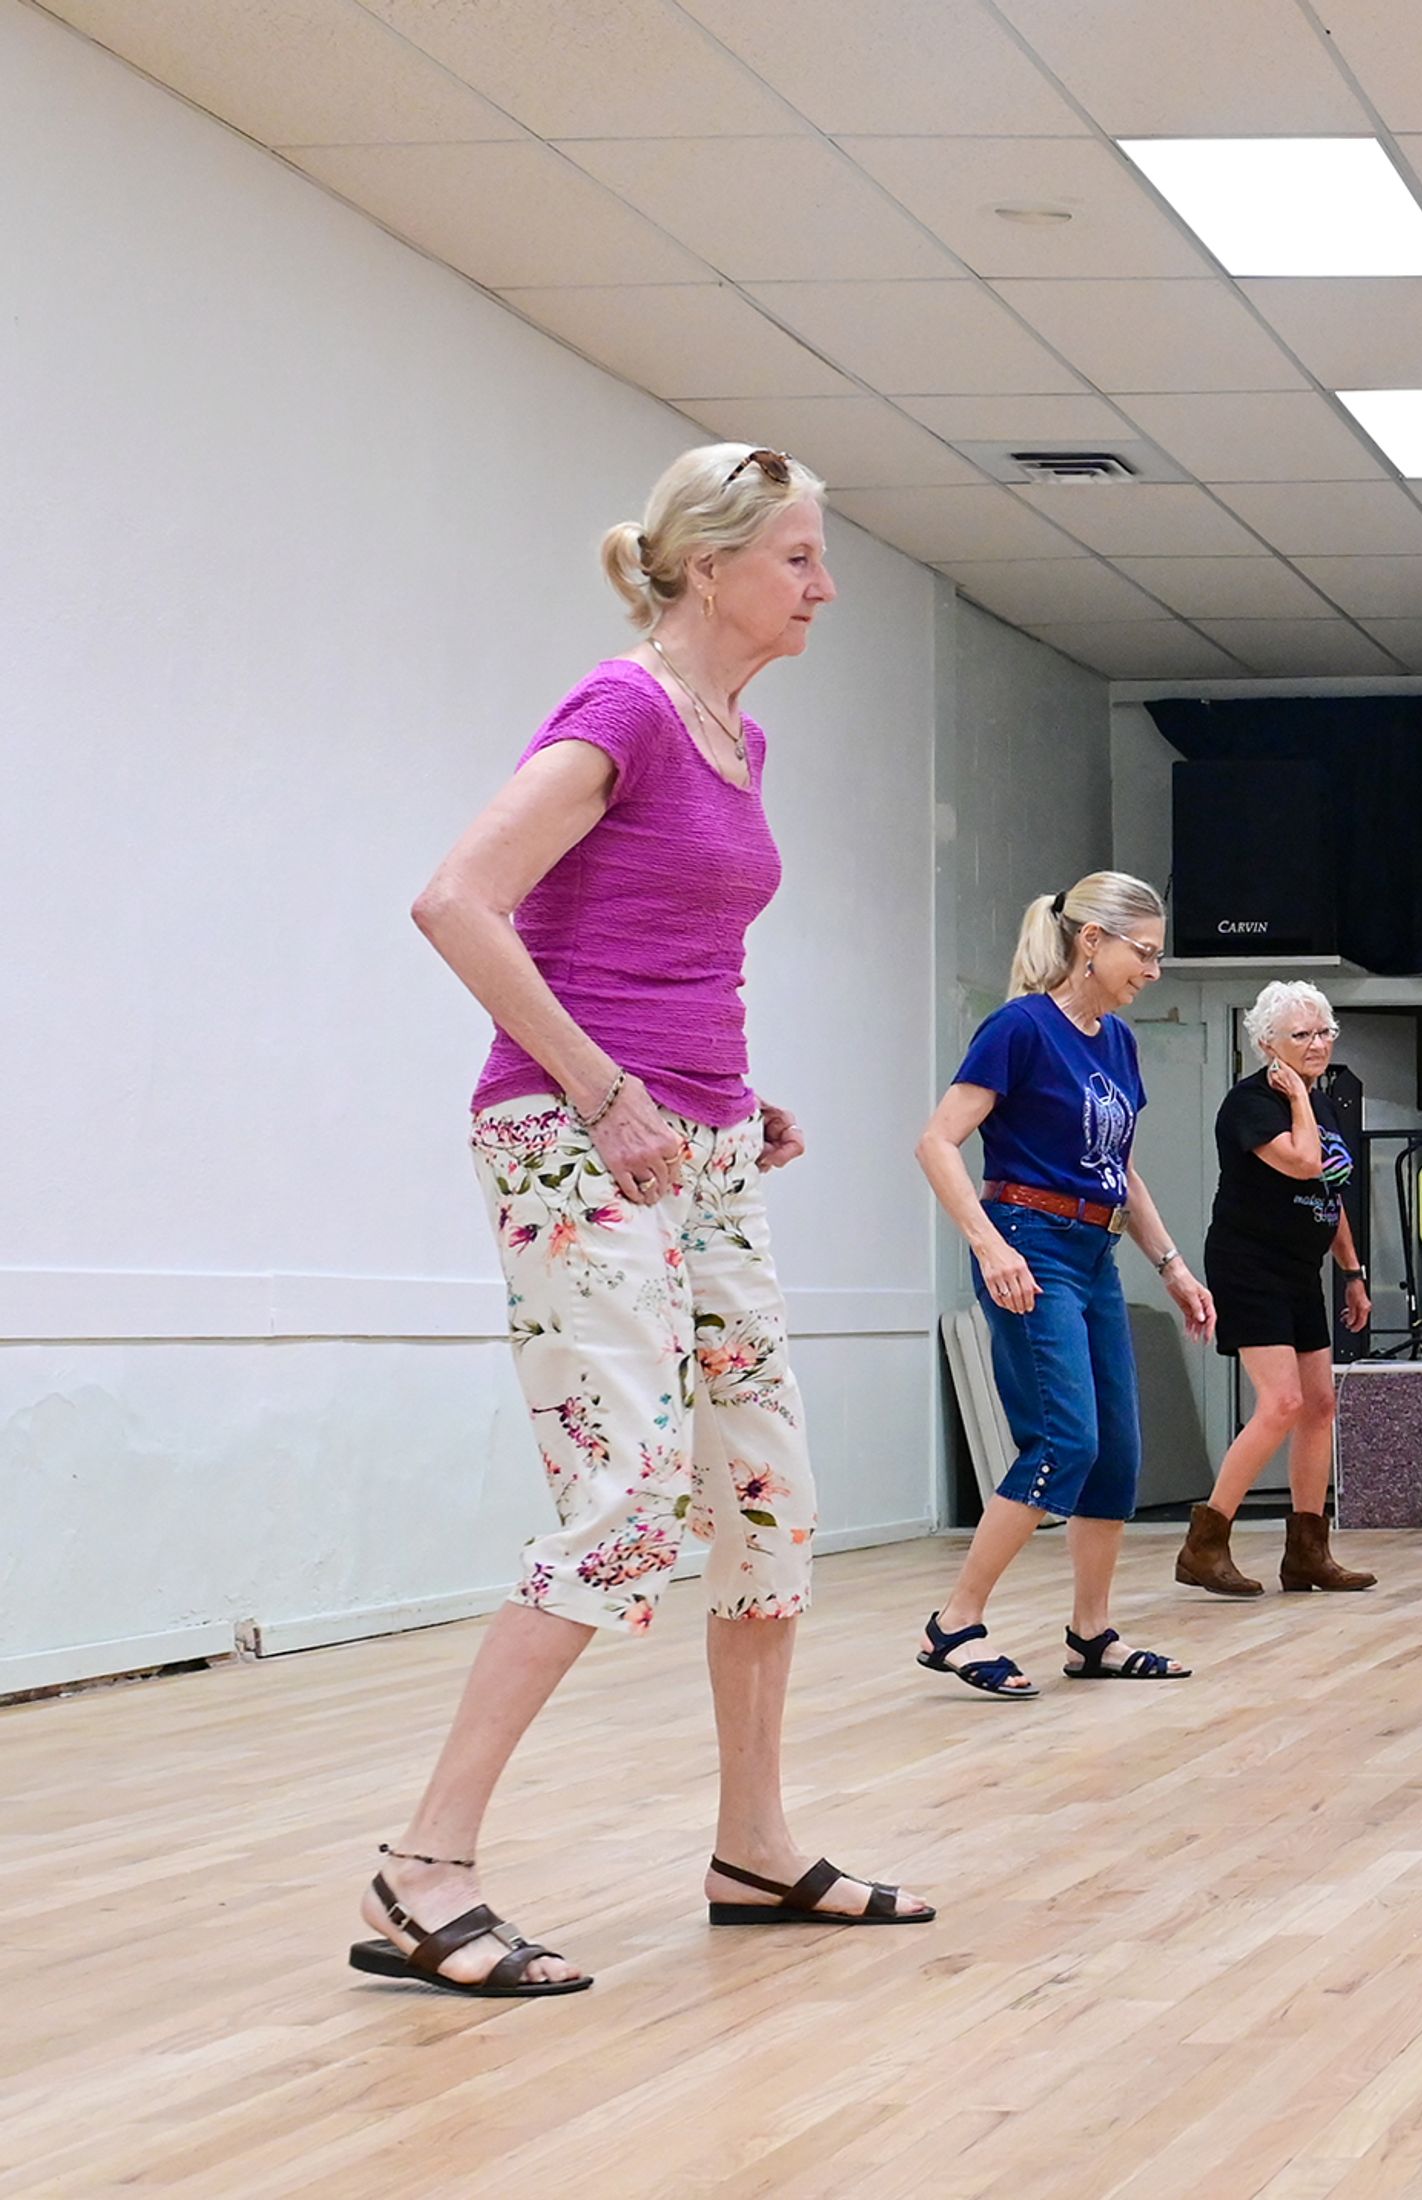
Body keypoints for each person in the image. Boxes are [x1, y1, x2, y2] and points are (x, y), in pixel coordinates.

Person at [362, 443, 928, 1998]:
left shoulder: (739, 738)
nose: (827, 586)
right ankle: (426, 1865)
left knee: (766, 1495)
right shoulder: (619, 712)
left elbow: (669, 946)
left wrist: (743, 1100)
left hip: (700, 1140)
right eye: (803, 558)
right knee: (625, 1508)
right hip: (573, 1139)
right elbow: (457, 899)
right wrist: (610, 1091)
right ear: (710, 567)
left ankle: (755, 1843)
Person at [911, 872, 1216, 1696]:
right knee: (1064, 1441)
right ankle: (956, 1623)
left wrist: (1173, 1265)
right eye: (1143, 953)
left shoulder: (1115, 1041)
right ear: (1092, 940)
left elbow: (1121, 1170)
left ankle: (1091, 1635)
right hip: (1026, 1241)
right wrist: (987, 1245)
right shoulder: (1019, 1028)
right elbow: (939, 1144)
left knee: (1116, 1452)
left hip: (1093, 1250)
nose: (1152, 970)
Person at [1181, 979, 1376, 1599]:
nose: (1318, 1044)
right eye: (1302, 1035)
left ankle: (1307, 1554)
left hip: (1300, 1268)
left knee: (1320, 1404)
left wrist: (1352, 1272)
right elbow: (1302, 1163)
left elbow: (1331, 1192)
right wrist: (1297, 1100)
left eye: (1325, 1032)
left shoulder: (1320, 1102)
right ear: (1268, 1043)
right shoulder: (1252, 1103)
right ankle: (1203, 1545)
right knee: (1282, 1404)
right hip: (1248, 1264)